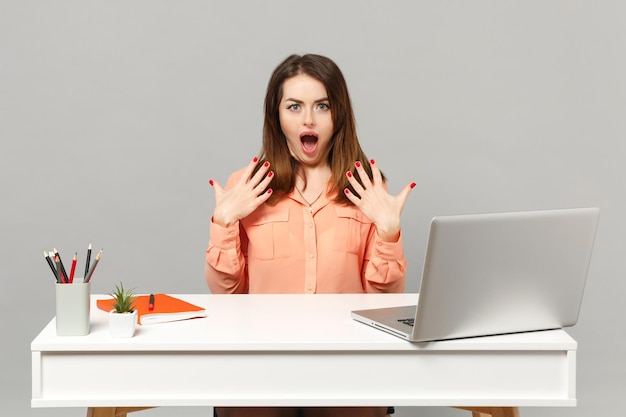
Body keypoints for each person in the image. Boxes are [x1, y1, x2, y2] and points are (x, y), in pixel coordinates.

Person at [205, 54, 415, 417]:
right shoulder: (245, 186)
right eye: (294, 106)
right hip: (261, 359)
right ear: (277, 116)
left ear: (339, 115)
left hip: (348, 360)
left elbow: (381, 301)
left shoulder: (368, 189)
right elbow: (227, 295)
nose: (308, 119)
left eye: (322, 105)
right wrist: (223, 221)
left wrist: (389, 232)